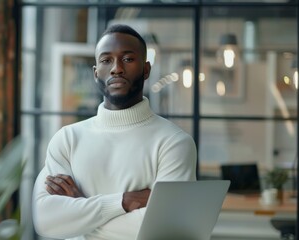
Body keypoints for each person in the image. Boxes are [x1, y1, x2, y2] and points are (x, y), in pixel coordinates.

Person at [32, 24, 197, 240]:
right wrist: (123, 202)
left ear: (146, 70)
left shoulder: (174, 143)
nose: (116, 68)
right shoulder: (67, 139)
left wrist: (81, 211)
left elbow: (166, 229)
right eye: (106, 60)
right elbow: (46, 221)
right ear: (95, 72)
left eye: (128, 59)